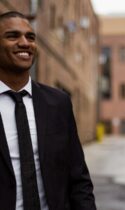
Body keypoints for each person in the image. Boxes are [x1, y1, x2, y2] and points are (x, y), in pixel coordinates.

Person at [0, 11, 97, 210]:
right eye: (13, 36)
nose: (25, 43)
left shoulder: (58, 103)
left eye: (31, 37)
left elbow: (78, 178)